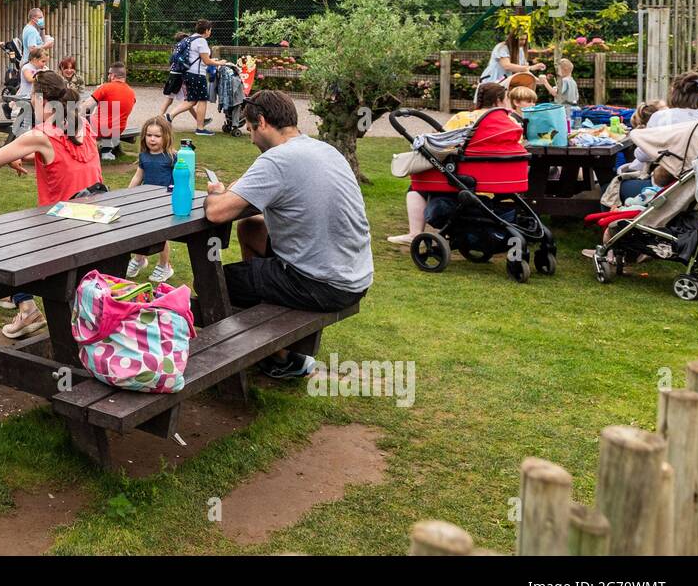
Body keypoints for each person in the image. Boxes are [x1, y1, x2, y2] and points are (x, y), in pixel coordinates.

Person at [205, 90, 373, 379]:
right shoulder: (324, 149)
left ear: (262, 122)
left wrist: (217, 194)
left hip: (320, 284)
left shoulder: (277, 159)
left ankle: (277, 357)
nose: (251, 138)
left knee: (212, 284)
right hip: (355, 277)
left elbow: (216, 213)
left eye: (250, 129)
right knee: (252, 227)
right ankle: (271, 330)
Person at [0, 70, 103, 339]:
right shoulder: (82, 124)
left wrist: (16, 150)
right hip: (94, 218)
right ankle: (16, 297)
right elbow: (65, 161)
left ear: (40, 99)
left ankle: (25, 307)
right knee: (21, 234)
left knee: (2, 239)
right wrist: (24, 154)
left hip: (62, 228)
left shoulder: (41, 134)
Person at [389, 82, 510, 245]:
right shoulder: (507, 122)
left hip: (466, 175)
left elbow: (442, 140)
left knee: (417, 182)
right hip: (500, 176)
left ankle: (414, 233)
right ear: (498, 101)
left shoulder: (463, 118)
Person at [125, 116, 177, 282]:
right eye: (149, 135)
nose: (152, 139)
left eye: (157, 136)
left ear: (166, 136)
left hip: (164, 202)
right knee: (141, 230)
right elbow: (138, 176)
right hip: (146, 202)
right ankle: (140, 259)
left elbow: (179, 180)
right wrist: (127, 194)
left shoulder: (172, 157)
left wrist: (173, 193)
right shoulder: (144, 156)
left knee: (161, 235)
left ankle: (164, 266)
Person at [166, 19, 222, 136]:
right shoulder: (201, 41)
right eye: (210, 30)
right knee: (202, 99)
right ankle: (200, 128)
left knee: (191, 100)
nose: (210, 32)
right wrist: (220, 63)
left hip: (187, 73)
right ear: (206, 30)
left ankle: (169, 116)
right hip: (197, 74)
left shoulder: (189, 39)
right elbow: (206, 61)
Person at [83, 62, 136, 161]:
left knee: (78, 118)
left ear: (113, 76)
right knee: (108, 120)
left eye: (108, 74)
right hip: (117, 130)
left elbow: (86, 105)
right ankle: (106, 152)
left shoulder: (106, 87)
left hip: (99, 129)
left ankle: (83, 150)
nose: (108, 76)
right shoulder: (132, 93)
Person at [478, 29, 544, 88]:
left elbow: (523, 69)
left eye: (525, 39)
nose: (523, 42)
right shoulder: (502, 47)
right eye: (521, 39)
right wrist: (531, 67)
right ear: (514, 38)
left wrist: (539, 81)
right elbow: (507, 66)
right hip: (493, 80)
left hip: (506, 82)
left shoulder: (520, 50)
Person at [12, 45, 50, 135]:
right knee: (27, 115)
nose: (44, 64)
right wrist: (42, 75)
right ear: (34, 59)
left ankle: (38, 129)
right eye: (43, 61)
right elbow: (29, 79)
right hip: (26, 95)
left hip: (36, 96)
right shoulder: (27, 68)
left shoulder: (41, 69)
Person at [159, 31, 189, 120]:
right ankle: (200, 121)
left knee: (170, 99)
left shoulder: (176, 50)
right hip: (178, 76)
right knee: (188, 101)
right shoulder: (182, 50)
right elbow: (183, 64)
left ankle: (160, 116)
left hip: (173, 75)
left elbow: (171, 61)